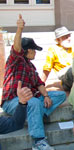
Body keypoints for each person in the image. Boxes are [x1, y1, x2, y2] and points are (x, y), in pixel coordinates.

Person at [1, 14, 66, 150]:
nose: (36, 53)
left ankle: (33, 116)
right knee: (35, 103)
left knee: (60, 95)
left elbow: (40, 83)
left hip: (29, 101)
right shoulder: (15, 60)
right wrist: (19, 29)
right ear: (28, 50)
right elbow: (16, 48)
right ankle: (38, 141)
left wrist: (47, 96)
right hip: (13, 101)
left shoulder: (31, 66)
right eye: (34, 50)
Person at [42, 26, 74, 91]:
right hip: (65, 76)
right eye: (65, 37)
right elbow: (47, 68)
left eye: (69, 36)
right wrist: (40, 84)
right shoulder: (53, 49)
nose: (69, 39)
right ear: (58, 40)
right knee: (71, 71)